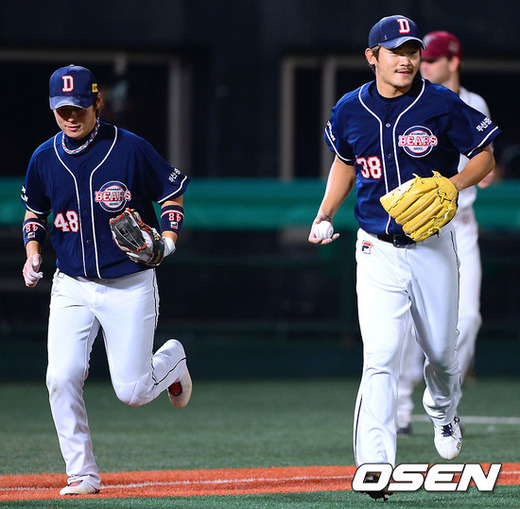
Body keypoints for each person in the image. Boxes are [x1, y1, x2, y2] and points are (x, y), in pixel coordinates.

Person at [308, 15, 500, 500]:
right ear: (372, 57)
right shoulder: (349, 109)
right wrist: (325, 213)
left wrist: (452, 184)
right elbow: (345, 163)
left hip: (433, 246)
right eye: (395, 51)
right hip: (376, 249)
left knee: (442, 354)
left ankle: (443, 411)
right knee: (380, 357)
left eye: (412, 50)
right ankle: (376, 465)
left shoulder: (440, 103)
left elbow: (485, 156)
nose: (407, 59)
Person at [21, 65, 192, 496]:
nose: (70, 117)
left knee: (132, 391)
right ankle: (82, 473)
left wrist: (168, 241)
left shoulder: (129, 148)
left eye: (78, 107)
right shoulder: (43, 158)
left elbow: (170, 192)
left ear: (97, 102)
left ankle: (172, 359)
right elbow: (34, 212)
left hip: (129, 282)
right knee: (61, 376)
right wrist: (33, 253)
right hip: (72, 284)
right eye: (62, 110)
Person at [396, 31, 495, 436]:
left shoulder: (473, 103)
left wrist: (473, 175)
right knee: (408, 322)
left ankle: (445, 400)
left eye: (432, 59)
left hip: (461, 227)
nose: (425, 65)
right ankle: (400, 405)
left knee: (467, 318)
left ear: (453, 62)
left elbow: (484, 161)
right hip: (419, 225)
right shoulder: (410, 101)